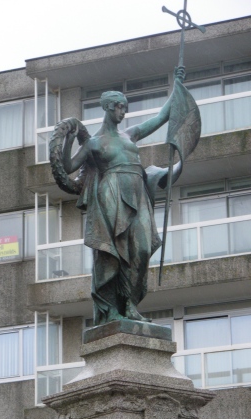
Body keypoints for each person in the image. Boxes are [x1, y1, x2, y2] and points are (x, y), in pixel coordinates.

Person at [50, 68, 186, 325]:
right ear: (108, 108)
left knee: (142, 248)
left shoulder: (130, 134)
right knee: (114, 251)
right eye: (120, 108)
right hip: (111, 193)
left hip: (137, 189)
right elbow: (67, 168)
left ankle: (130, 302)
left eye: (125, 108)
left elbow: (160, 117)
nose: (124, 113)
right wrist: (68, 139)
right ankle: (116, 308)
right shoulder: (93, 143)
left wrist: (177, 85)